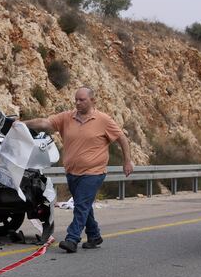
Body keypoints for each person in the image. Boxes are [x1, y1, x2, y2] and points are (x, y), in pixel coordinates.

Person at [23, 86, 134, 253]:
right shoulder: (67, 118)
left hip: (94, 172)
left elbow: (122, 138)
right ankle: (94, 235)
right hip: (72, 172)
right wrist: (21, 125)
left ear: (92, 100)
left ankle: (72, 239)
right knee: (85, 206)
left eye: (82, 100)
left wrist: (127, 161)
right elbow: (45, 123)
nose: (77, 103)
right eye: (76, 99)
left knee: (81, 205)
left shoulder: (103, 120)